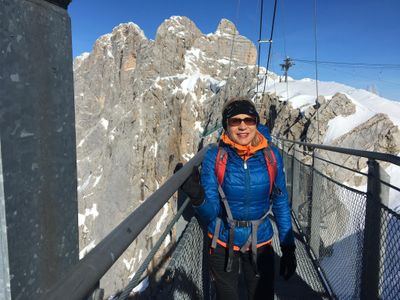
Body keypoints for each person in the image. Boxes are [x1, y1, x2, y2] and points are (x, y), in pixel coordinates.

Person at [180, 98, 296, 300]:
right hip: (222, 239)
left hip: (260, 241)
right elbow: (212, 213)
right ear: (226, 125)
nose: (243, 126)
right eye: (235, 121)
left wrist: (288, 247)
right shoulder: (214, 157)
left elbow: (280, 202)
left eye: (249, 120)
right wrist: (198, 197)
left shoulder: (272, 156)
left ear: (256, 123)